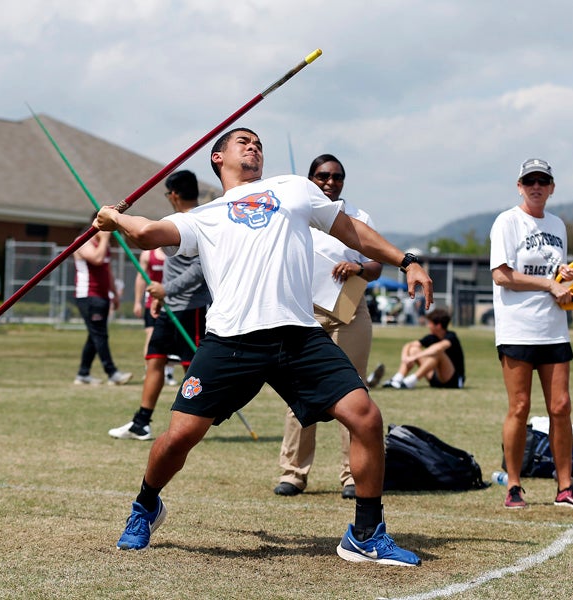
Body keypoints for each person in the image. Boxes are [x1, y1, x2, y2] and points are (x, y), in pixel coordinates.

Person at [94, 127, 432, 566]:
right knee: (178, 438)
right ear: (218, 158)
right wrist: (113, 219)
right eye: (242, 142)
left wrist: (406, 260)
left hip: (297, 334)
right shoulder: (205, 215)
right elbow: (148, 233)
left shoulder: (293, 188)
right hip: (230, 340)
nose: (253, 147)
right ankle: (146, 505)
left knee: (365, 417)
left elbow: (352, 231)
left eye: (258, 143)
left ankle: (365, 534)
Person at [273, 154, 382, 500]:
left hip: (350, 312)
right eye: (322, 176)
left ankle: (353, 475)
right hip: (304, 313)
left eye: (337, 176)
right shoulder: (296, 215)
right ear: (310, 179)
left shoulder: (358, 218)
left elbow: (377, 264)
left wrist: (358, 268)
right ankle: (293, 472)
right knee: (299, 393)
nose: (330, 182)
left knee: (354, 392)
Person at [490, 158, 573, 510]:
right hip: (518, 327)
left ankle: (565, 487)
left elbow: (552, 276)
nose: (536, 186)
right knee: (520, 407)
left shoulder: (558, 225)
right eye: (529, 180)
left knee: (561, 407)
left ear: (551, 187)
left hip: (553, 329)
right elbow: (502, 275)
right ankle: (514, 485)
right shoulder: (507, 221)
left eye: (543, 180)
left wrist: (562, 277)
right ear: (519, 186)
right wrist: (548, 282)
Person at [109, 170, 211, 441]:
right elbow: (147, 244)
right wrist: (160, 297)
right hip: (169, 308)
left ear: (174, 195)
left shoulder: (202, 222)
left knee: (193, 371)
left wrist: (167, 290)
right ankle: (141, 423)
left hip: (193, 308)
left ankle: (195, 424)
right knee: (155, 360)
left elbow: (199, 270)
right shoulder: (174, 222)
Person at [72, 219, 133, 386]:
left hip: (102, 296)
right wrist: (105, 239)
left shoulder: (103, 245)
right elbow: (97, 259)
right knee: (99, 335)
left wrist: (114, 294)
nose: (109, 232)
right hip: (88, 296)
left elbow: (107, 270)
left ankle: (83, 373)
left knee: (94, 336)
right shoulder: (82, 241)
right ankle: (112, 373)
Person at [382, 307, 465, 390]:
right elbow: (409, 345)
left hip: (452, 380)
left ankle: (409, 382)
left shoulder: (451, 336)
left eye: (430, 323)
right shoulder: (432, 337)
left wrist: (414, 357)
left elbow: (438, 348)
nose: (428, 325)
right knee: (413, 349)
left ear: (438, 326)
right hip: (435, 378)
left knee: (437, 353)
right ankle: (397, 379)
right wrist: (405, 358)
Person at [133, 248, 177, 387]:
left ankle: (168, 372)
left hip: (171, 301)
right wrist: (137, 302)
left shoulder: (175, 251)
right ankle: (150, 370)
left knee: (171, 339)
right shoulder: (147, 254)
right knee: (151, 336)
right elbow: (141, 277)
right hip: (151, 302)